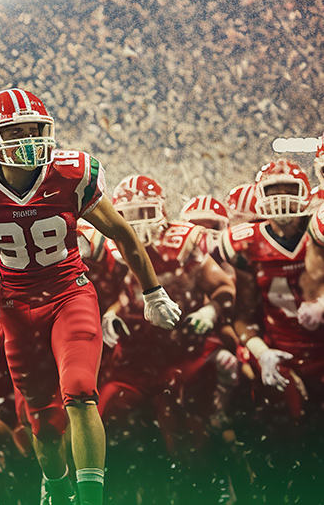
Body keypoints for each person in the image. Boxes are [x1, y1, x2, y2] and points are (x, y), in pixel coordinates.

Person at [0, 88, 181, 505]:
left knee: (82, 389)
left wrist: (153, 292)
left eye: (37, 130)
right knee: (44, 422)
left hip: (70, 293)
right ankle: (56, 483)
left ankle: (91, 499)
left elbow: (122, 233)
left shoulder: (71, 174)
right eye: (17, 132)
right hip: (17, 308)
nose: (30, 141)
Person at [98, 176, 238, 503]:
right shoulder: (109, 248)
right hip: (133, 359)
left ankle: (204, 487)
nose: (140, 222)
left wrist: (212, 312)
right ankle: (123, 490)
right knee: (109, 415)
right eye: (131, 214)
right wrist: (111, 311)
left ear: (162, 210)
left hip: (181, 353)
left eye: (147, 211)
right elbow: (107, 292)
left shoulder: (184, 242)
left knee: (186, 433)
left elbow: (222, 288)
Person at [220, 158, 323, 502]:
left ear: (306, 193)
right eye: (272, 190)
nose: (281, 198)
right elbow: (244, 314)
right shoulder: (248, 243)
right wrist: (261, 351)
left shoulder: (319, 230)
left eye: (288, 189)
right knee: (282, 440)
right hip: (284, 353)